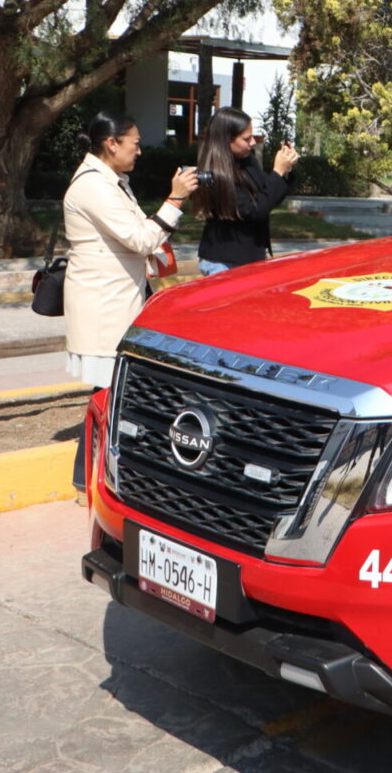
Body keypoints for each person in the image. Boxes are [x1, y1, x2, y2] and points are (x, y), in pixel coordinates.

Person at [63, 112, 198, 488]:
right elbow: (139, 239)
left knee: (114, 393)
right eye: (134, 143)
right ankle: (88, 477)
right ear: (112, 144)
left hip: (120, 299)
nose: (140, 151)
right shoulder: (93, 186)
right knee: (109, 393)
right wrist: (175, 198)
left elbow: (140, 232)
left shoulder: (113, 181)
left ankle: (96, 475)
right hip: (105, 305)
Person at [191, 107, 298, 274]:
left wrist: (285, 170)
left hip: (249, 258)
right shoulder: (215, 174)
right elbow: (255, 210)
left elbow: (267, 195)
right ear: (227, 140)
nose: (253, 142)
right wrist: (277, 171)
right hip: (225, 263)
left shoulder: (246, 161)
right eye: (246, 139)